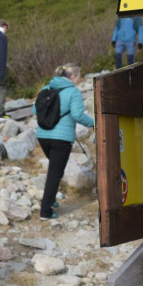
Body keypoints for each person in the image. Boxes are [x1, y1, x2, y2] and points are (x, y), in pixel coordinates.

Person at [34, 65, 94, 220]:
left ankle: (51, 199)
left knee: (56, 170)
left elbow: (36, 110)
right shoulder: (73, 91)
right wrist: (94, 122)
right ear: (73, 76)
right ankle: (45, 212)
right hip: (61, 139)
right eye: (78, 76)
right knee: (55, 173)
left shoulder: (47, 88)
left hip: (42, 136)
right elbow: (77, 115)